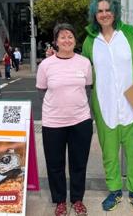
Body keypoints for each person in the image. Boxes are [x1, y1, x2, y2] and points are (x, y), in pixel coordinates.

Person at [82, 0, 133, 213]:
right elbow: (83, 71)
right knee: (109, 154)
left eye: (108, 10)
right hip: (104, 104)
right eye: (100, 11)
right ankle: (114, 191)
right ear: (95, 14)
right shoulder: (89, 41)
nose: (104, 14)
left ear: (115, 12)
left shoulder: (131, 34)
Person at [36, 23, 93, 216]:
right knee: (55, 164)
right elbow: (42, 89)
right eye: (62, 37)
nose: (67, 40)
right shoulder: (45, 65)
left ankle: (77, 199)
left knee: (79, 163)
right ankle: (59, 200)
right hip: (53, 122)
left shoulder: (84, 62)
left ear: (75, 40)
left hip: (81, 121)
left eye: (70, 36)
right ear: (56, 41)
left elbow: (87, 86)